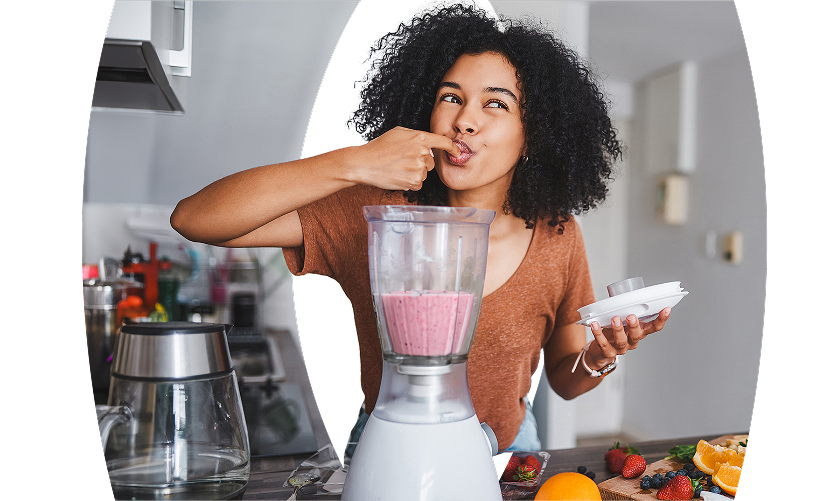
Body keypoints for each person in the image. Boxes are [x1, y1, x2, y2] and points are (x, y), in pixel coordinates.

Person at [170, 1, 671, 454]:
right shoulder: (374, 211)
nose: (464, 121)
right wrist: (355, 162)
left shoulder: (558, 235)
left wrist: (599, 357)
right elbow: (195, 219)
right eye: (451, 97)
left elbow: (564, 380)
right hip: (390, 447)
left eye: (495, 103)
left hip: (511, 455)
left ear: (534, 136)